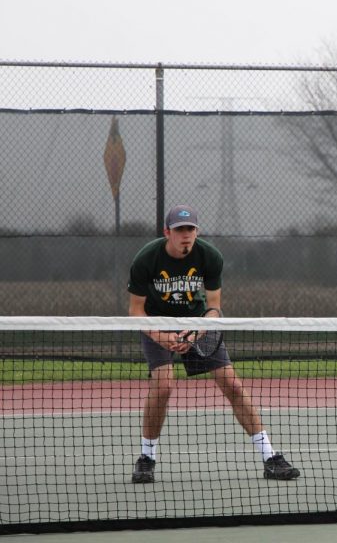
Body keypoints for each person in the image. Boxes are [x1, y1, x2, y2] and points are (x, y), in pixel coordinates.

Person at [127, 204, 300, 483]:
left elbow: (214, 307)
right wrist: (162, 336)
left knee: (231, 383)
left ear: (197, 231)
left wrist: (195, 333)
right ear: (167, 232)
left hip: (198, 324)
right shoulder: (146, 259)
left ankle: (270, 457)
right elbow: (136, 311)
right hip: (156, 325)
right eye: (180, 229)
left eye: (190, 229)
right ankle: (146, 458)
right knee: (164, 385)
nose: (186, 235)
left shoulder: (210, 257)